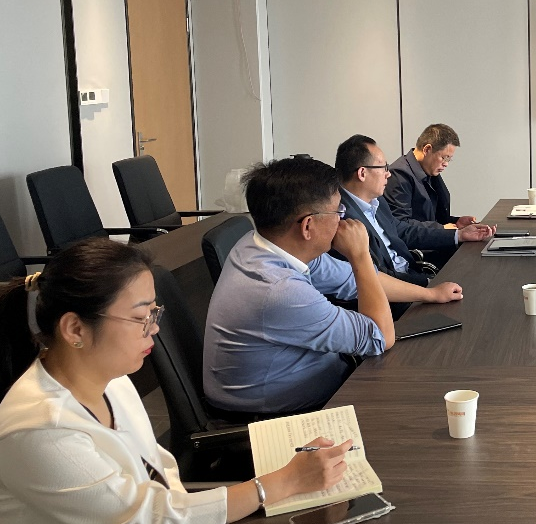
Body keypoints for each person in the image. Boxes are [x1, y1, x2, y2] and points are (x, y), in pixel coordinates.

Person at [0, 238, 406, 524]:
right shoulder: (40, 430)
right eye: (141, 317)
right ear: (74, 328)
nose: (154, 329)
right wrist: (277, 484)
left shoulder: (107, 380)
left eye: (153, 312)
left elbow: (156, 470)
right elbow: (147, 517)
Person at [204, 157, 398, 414]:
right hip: (281, 415)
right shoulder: (279, 290)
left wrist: (430, 293)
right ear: (308, 225)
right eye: (338, 211)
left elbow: (350, 280)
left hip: (314, 376)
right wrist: (360, 255)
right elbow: (380, 337)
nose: (343, 221)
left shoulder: (259, 243)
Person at [336, 135, 491, 314]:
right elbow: (374, 276)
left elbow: (404, 230)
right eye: (383, 167)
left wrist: (458, 234)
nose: (388, 173)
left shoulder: (377, 201)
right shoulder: (342, 219)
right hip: (395, 299)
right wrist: (427, 284)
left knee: (479, 281)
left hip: (412, 275)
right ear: (362, 173)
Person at [386, 124, 478, 231]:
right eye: (444, 158)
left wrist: (455, 222)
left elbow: (431, 217)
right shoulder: (399, 175)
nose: (446, 164)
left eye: (449, 159)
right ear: (427, 149)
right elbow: (401, 224)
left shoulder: (428, 169)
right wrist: (441, 229)